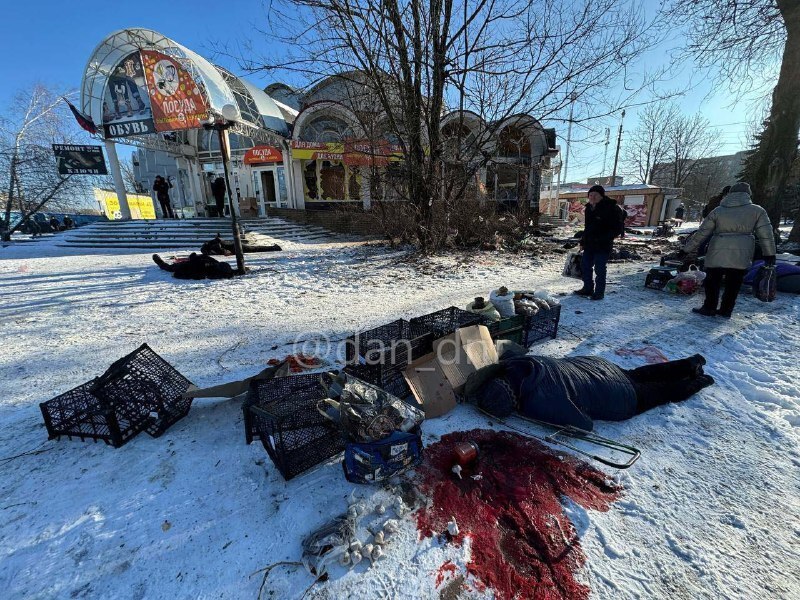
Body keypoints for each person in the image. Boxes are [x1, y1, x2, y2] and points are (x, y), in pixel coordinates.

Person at [465, 350, 713, 430]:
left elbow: (583, 425)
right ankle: (689, 364)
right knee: (639, 374)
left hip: (618, 398)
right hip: (599, 367)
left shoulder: (539, 402)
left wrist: (532, 413)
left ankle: (699, 381)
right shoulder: (520, 364)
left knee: (661, 392)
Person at [681, 181, 776, 318]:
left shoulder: (718, 210)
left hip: (718, 249)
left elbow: (702, 233)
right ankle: (726, 310)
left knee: (712, 280)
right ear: (748, 194)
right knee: (734, 283)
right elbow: (766, 235)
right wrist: (770, 254)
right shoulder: (757, 211)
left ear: (730, 194)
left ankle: (709, 307)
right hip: (742, 251)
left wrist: (685, 250)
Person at [574, 185, 624, 301]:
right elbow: (587, 227)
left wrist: (604, 238)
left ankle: (599, 292)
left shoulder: (611, 208)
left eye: (595, 195)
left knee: (600, 269)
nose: (592, 197)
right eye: (590, 195)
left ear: (602, 196)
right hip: (589, 244)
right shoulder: (589, 208)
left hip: (603, 245)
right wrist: (583, 241)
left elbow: (617, 228)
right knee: (585, 266)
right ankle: (588, 288)